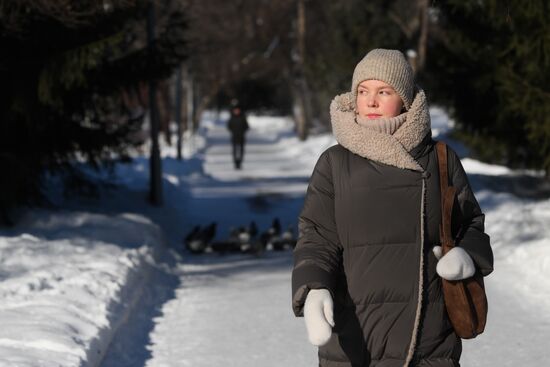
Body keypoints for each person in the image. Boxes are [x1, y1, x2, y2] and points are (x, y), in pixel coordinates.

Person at [291, 49, 493, 367]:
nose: (370, 101)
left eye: (383, 91)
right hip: (353, 336)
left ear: (404, 99)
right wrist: (313, 287)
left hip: (429, 339)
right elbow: (317, 237)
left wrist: (467, 256)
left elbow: (470, 223)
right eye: (363, 91)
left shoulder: (440, 159)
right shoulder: (334, 163)